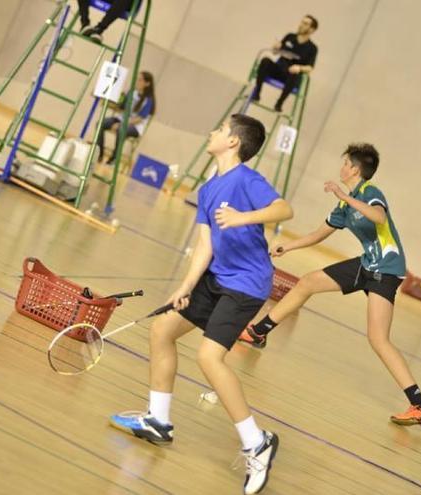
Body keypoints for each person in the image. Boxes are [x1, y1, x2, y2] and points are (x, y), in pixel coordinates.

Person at [109, 114, 293, 494]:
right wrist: (186, 286)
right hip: (217, 278)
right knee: (163, 329)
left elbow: (283, 210)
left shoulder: (246, 179)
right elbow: (205, 244)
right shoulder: (209, 189)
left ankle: (257, 442)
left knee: (209, 357)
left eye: (220, 130)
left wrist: (245, 217)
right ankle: (158, 421)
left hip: (247, 285)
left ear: (234, 143)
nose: (212, 132)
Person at [238, 143, 421, 427]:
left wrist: (344, 194)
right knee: (307, 283)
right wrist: (289, 247)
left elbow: (378, 216)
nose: (341, 167)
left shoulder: (370, 193)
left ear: (354, 169)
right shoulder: (345, 203)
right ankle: (259, 332)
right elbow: (320, 233)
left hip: (386, 269)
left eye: (345, 163)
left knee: (378, 339)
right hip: (366, 264)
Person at [251, 15, 318, 112]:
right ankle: (257, 93)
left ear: (312, 29)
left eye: (305, 24)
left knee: (294, 75)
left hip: (290, 76)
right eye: (301, 22)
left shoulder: (312, 48)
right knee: (265, 60)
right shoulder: (290, 37)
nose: (301, 25)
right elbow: (275, 52)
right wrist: (275, 47)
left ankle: (279, 103)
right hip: (278, 69)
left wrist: (299, 67)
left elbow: (310, 67)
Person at [96, 71, 155, 165]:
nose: (137, 81)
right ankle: (99, 154)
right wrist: (110, 99)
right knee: (100, 123)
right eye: (137, 79)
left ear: (147, 84)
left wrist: (121, 124)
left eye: (140, 80)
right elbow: (121, 107)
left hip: (135, 127)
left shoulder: (148, 100)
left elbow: (139, 119)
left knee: (121, 130)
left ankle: (114, 159)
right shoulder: (132, 92)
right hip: (121, 119)